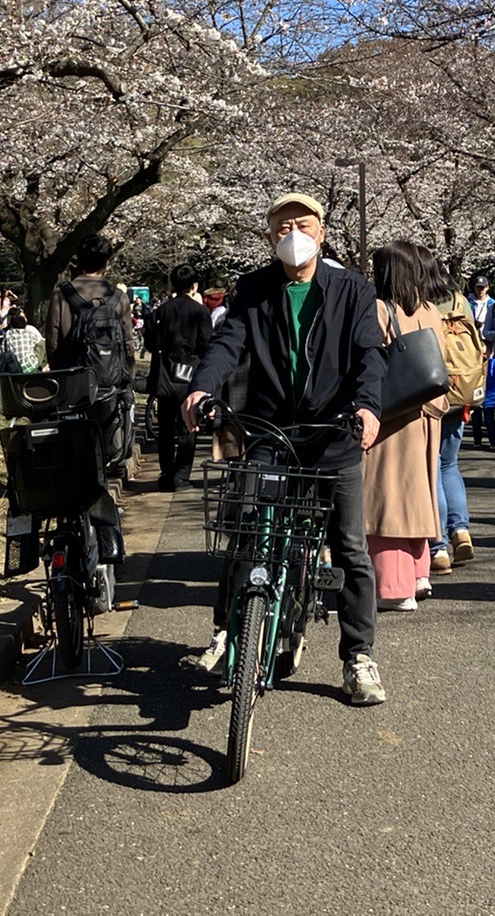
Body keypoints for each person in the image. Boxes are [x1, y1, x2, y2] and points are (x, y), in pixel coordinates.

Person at [183, 192, 388, 706]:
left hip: (332, 434)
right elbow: (227, 344)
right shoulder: (253, 289)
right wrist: (201, 388)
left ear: (321, 231)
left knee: (350, 548)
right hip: (269, 431)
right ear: (269, 236)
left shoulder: (352, 289)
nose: (291, 234)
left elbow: (369, 355)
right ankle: (227, 629)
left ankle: (358, 656)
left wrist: (367, 406)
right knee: (246, 529)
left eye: (301, 224)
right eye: (280, 227)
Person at [365, 241, 446, 610]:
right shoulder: (431, 310)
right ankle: (419, 573)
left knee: (386, 498)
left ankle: (393, 587)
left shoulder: (381, 309)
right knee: (419, 493)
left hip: (393, 417)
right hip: (427, 413)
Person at [43, 234, 137, 476]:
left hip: (73, 382)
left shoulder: (61, 294)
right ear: (106, 262)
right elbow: (128, 343)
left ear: (78, 260)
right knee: (106, 441)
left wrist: (58, 371)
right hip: (110, 383)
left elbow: (52, 341)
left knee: (74, 444)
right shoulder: (118, 296)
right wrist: (129, 378)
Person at [427, 251, 479, 575]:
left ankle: (439, 548)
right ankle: (461, 531)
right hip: (462, 393)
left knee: (431, 468)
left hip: (433, 394)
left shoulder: (419, 303)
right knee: (450, 465)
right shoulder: (461, 301)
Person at [143, 263, 214, 489]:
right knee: (189, 425)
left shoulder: (159, 312)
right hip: (190, 376)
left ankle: (165, 474)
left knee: (165, 427)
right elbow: (206, 345)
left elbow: (150, 344)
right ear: (194, 286)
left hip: (164, 376)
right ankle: (182, 475)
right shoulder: (201, 313)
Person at [0, 308, 44, 373]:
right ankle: (43, 367)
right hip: (31, 366)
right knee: (42, 345)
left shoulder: (8, 333)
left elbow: (3, 350)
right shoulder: (28, 331)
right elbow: (40, 341)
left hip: (14, 369)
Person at [467, 275, 495, 343]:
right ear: (474, 288)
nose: (480, 290)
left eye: (482, 288)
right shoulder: (468, 302)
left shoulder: (492, 303)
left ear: (487, 288)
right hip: (473, 336)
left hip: (488, 337)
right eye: (478, 287)